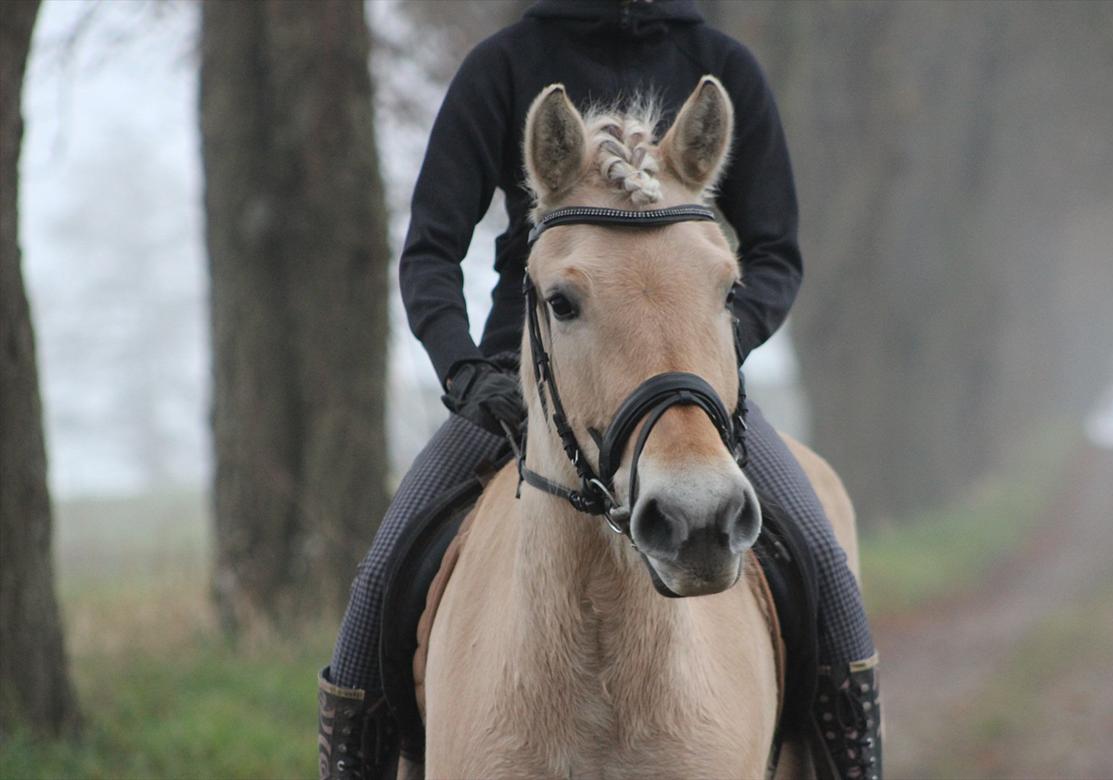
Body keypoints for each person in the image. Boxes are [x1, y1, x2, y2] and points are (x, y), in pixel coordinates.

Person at [318, 2, 881, 778]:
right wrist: (463, 371)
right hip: (521, 383)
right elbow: (429, 253)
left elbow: (776, 252)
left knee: (818, 553)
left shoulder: (725, 69)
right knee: (382, 578)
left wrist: (713, 343)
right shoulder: (504, 67)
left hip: (696, 387)